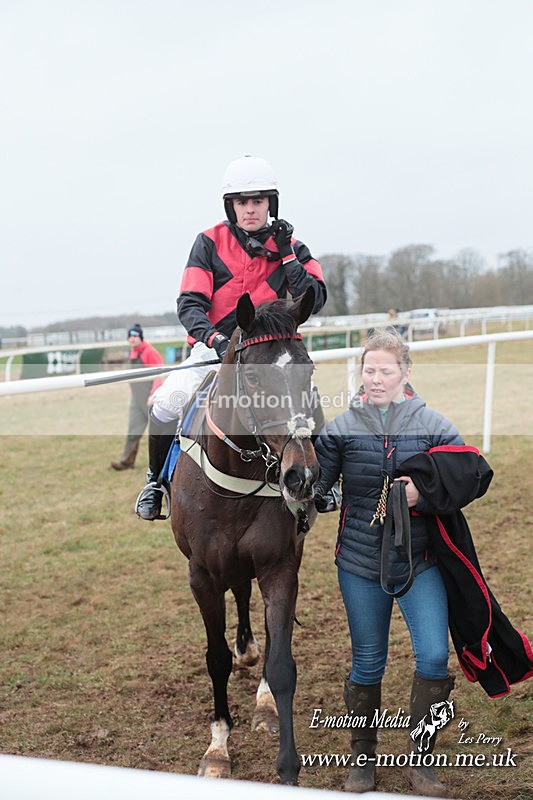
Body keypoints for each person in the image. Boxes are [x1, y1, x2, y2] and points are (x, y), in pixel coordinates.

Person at [313, 331, 474, 797]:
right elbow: (317, 490)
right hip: (359, 564)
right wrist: (306, 484)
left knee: (434, 656)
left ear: (406, 373)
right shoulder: (341, 428)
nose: (377, 378)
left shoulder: (432, 423)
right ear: (359, 374)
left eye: (386, 370)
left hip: (420, 560)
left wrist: (422, 494)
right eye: (369, 370)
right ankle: (362, 761)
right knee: (368, 662)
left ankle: (421, 763)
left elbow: (470, 471)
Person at [135, 155, 327, 521]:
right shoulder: (208, 242)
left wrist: (286, 254)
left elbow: (314, 298)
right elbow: (190, 303)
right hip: (214, 350)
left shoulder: (294, 247)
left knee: (309, 401)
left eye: (258, 201)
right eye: (243, 202)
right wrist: (214, 339)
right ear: (231, 205)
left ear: (271, 203)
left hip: (272, 355)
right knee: (165, 404)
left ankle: (322, 482)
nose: (251, 209)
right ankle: (155, 482)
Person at [111, 324, 164, 470]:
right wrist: (132, 395)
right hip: (136, 399)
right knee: (133, 432)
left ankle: (164, 462)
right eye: (130, 336)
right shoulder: (131, 353)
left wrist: (153, 394)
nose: (132, 339)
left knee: (158, 433)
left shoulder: (149, 352)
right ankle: (126, 462)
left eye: (135, 336)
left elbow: (159, 374)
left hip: (150, 399)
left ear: (141, 337)